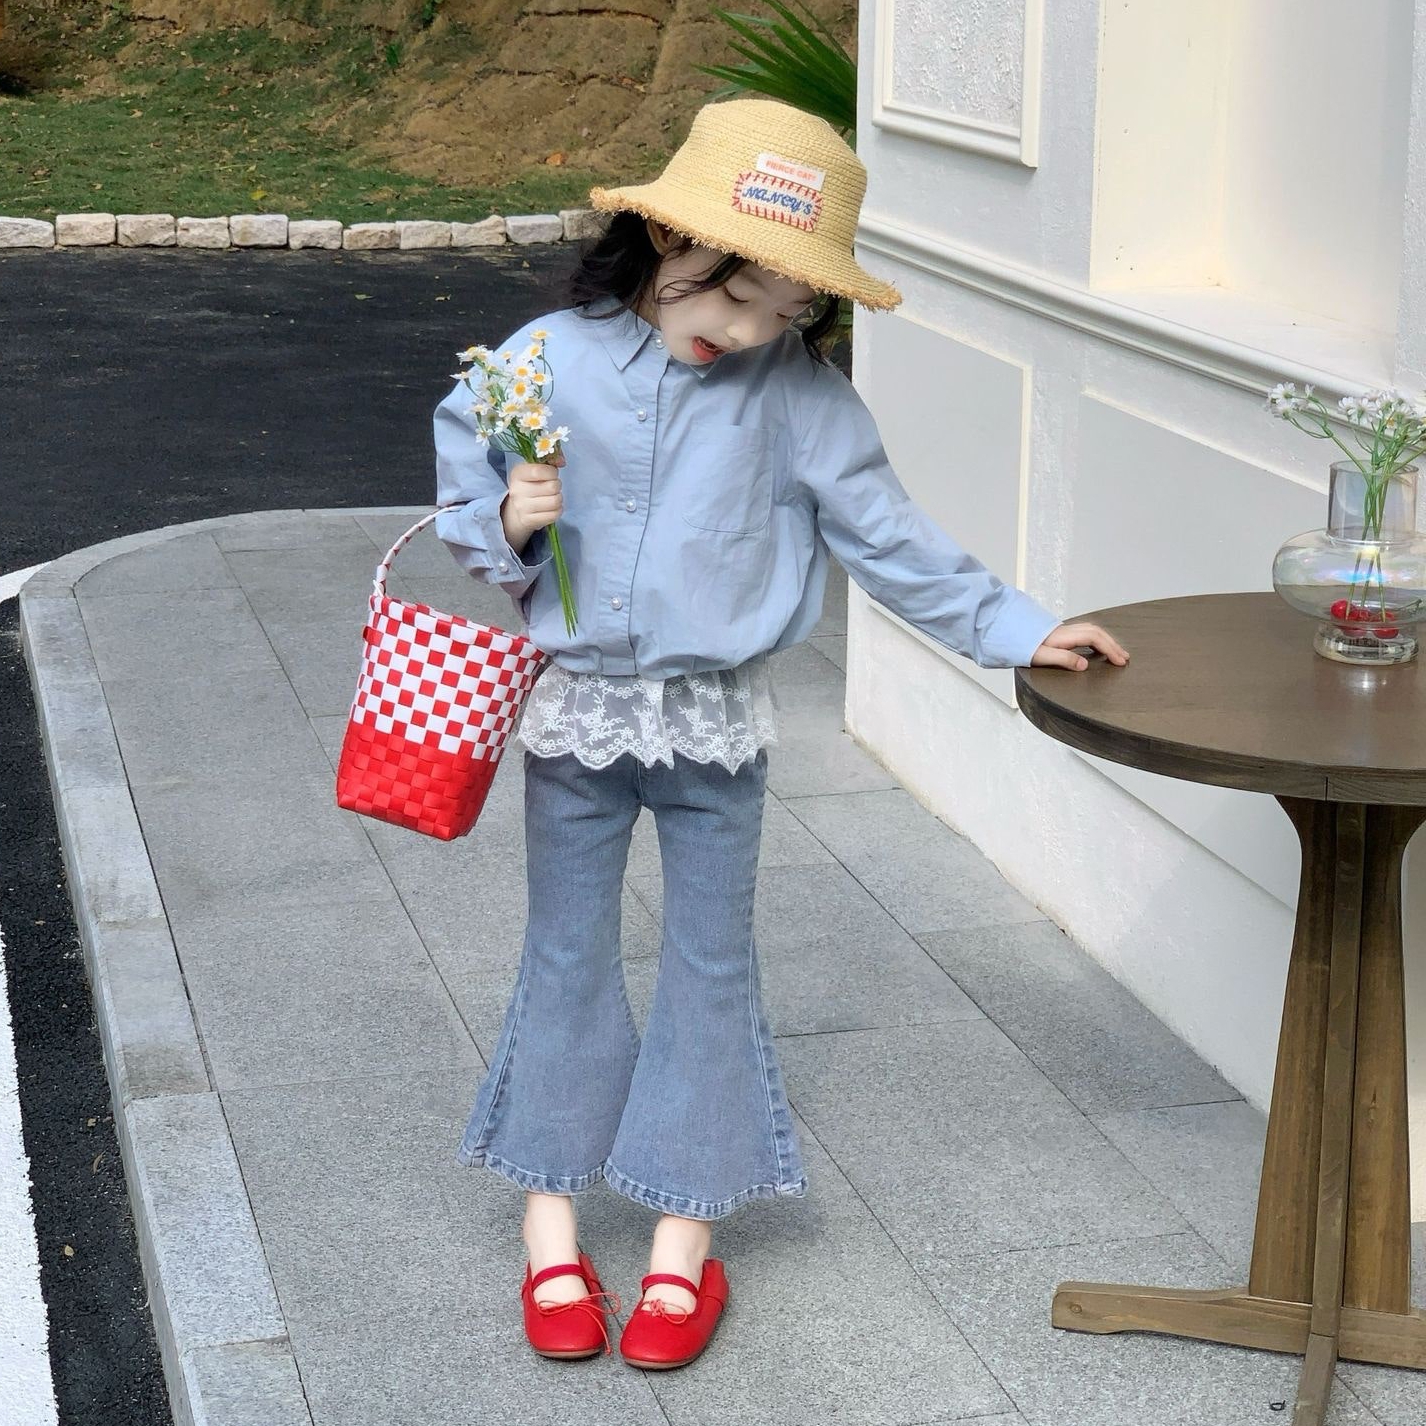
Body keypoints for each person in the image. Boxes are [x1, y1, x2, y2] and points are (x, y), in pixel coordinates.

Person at [432, 96, 1128, 1370]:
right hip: (577, 719)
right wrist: (513, 518)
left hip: (715, 730)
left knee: (710, 966)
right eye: (732, 293)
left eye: (785, 310)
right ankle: (549, 1230)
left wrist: (1018, 629)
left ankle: (681, 1245)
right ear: (664, 239)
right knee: (565, 958)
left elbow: (890, 537)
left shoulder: (800, 399)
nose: (747, 329)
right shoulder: (539, 361)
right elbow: (465, 505)